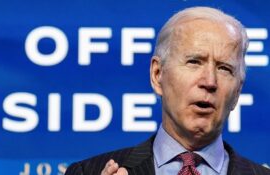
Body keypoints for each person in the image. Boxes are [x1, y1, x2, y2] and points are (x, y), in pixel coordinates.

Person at [65, 6, 270, 175]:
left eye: (224, 68)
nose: (209, 81)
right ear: (157, 74)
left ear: (237, 92)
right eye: (194, 62)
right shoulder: (86, 172)